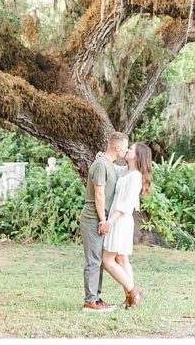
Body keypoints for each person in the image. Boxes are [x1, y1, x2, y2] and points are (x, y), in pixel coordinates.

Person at [97, 142, 153, 309]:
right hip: (118, 220)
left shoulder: (135, 177)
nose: (128, 150)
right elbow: (113, 169)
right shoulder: (126, 171)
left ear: (138, 156)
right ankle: (130, 297)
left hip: (119, 220)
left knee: (107, 260)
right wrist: (104, 158)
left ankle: (133, 291)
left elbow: (126, 205)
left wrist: (109, 222)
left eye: (131, 149)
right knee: (121, 259)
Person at [80, 132, 129, 312]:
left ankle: (96, 298)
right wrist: (103, 221)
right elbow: (98, 194)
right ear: (117, 146)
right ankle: (90, 302)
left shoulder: (109, 164)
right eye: (125, 147)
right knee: (93, 261)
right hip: (93, 218)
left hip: (101, 219)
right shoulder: (101, 164)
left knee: (98, 260)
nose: (126, 150)